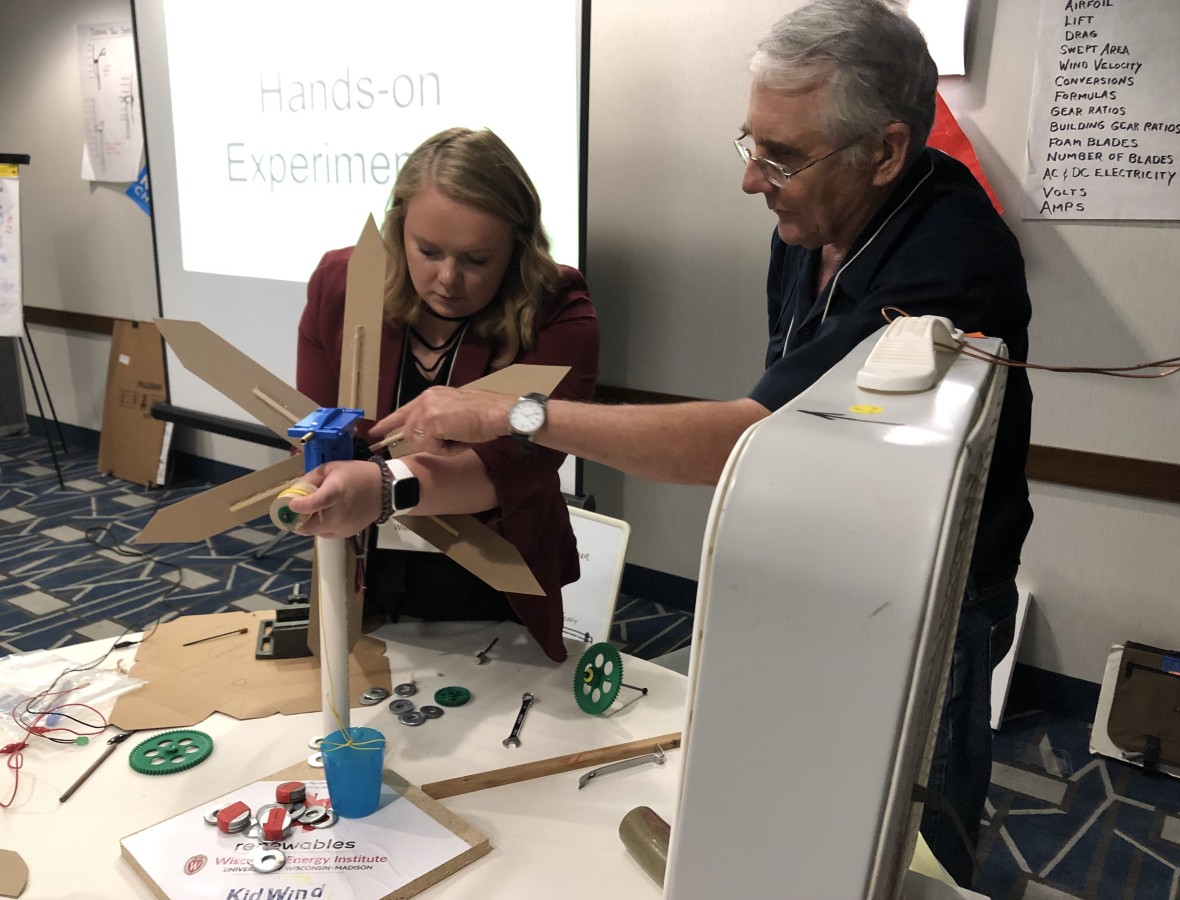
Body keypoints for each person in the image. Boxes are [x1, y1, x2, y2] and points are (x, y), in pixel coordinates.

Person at [366, 1, 1033, 887]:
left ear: (886, 151)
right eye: (749, 142)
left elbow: (745, 438)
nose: (752, 180)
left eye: (783, 158)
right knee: (809, 794)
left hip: (927, 601)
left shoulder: (950, 262)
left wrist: (513, 413)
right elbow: (785, 411)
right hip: (823, 559)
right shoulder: (811, 226)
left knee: (913, 840)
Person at [288, 126, 599, 663]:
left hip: (496, 571)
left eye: (477, 259)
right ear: (398, 227)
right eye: (427, 251)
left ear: (518, 247)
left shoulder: (556, 310)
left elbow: (512, 464)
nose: (448, 279)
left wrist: (384, 486)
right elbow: (313, 424)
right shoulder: (344, 284)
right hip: (362, 564)